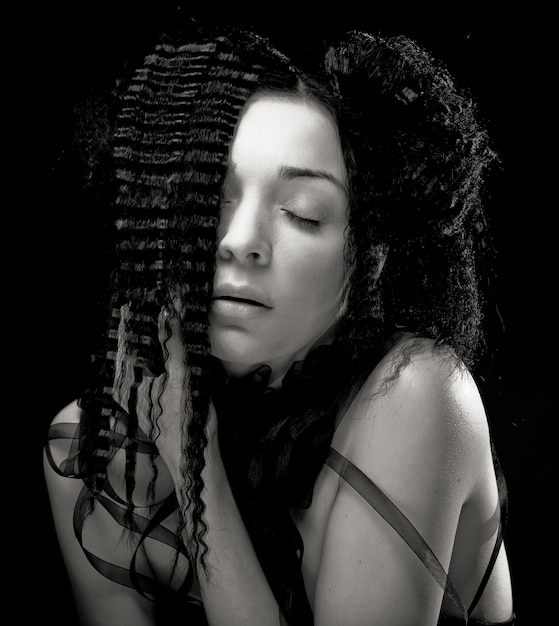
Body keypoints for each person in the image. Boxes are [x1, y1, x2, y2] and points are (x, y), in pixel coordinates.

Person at [43, 21, 515, 626]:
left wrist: (196, 469)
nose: (239, 244)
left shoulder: (416, 392)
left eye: (302, 213)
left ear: (368, 256)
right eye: (212, 198)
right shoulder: (94, 456)